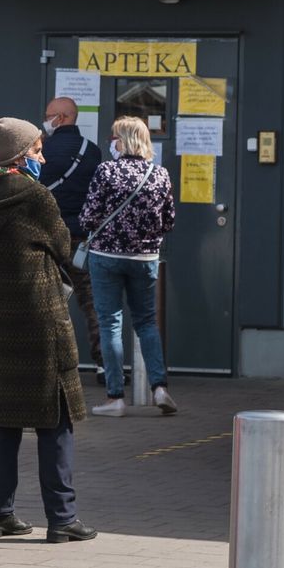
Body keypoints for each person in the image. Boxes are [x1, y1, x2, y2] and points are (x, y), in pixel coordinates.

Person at [0, 117, 96, 544]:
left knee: (1, 421)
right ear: (21, 155)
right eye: (37, 150)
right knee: (53, 420)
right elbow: (62, 245)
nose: (42, 157)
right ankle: (63, 517)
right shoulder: (36, 196)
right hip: (40, 318)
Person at [80, 116, 177, 417]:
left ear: (121, 140)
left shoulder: (106, 171)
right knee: (146, 323)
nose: (111, 142)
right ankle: (159, 387)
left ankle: (115, 398)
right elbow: (169, 221)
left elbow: (87, 217)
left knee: (110, 323)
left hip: (107, 257)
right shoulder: (159, 174)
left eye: (114, 137)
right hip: (145, 259)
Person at [40, 96, 104, 376]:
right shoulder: (92, 151)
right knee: (91, 300)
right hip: (80, 238)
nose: (44, 119)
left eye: (48, 115)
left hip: (48, 236)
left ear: (61, 118)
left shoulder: (41, 149)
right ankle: (105, 365)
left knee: (48, 298)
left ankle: (53, 362)